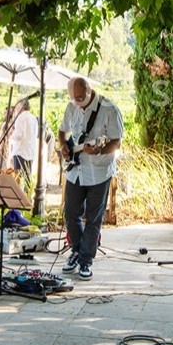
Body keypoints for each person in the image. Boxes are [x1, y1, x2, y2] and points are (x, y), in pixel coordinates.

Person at [57, 77, 124, 281]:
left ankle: (86, 259)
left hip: (99, 171)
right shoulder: (71, 107)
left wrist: (99, 150)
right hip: (75, 170)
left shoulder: (108, 109)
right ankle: (76, 251)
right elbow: (62, 132)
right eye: (73, 98)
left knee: (94, 218)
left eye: (80, 97)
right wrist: (64, 146)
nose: (77, 101)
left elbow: (116, 142)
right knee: (71, 212)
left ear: (89, 90)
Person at [6, 98, 40, 192]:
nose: (16, 108)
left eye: (17, 106)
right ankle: (27, 199)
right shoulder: (34, 118)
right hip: (30, 152)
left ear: (21, 106)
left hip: (20, 151)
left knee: (18, 178)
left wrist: (11, 135)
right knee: (27, 179)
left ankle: (17, 201)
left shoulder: (20, 117)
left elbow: (19, 135)